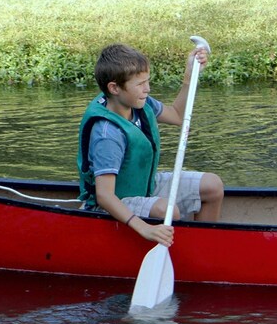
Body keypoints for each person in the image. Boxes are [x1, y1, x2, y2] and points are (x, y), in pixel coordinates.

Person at [77, 43, 224, 246]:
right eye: (140, 84)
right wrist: (144, 228)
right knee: (168, 211)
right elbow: (104, 196)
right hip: (115, 203)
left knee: (213, 185)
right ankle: (176, 251)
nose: (147, 89)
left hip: (145, 185)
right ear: (114, 88)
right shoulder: (107, 135)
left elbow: (177, 115)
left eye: (147, 81)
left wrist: (190, 77)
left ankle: (205, 247)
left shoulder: (138, 102)